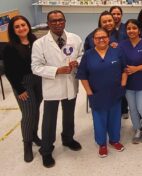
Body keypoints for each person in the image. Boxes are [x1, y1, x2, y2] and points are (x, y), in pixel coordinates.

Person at [31, 10, 83, 168]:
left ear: (65, 21)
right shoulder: (39, 43)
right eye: (53, 21)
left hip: (70, 83)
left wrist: (77, 62)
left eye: (60, 20)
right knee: (49, 119)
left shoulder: (75, 38)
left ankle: (68, 139)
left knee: (69, 114)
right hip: (52, 85)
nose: (57, 23)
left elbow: (81, 54)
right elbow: (35, 67)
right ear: (48, 23)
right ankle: (46, 150)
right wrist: (55, 71)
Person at [77, 28, 127, 158]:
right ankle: (102, 144)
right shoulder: (88, 55)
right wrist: (89, 93)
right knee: (99, 120)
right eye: (98, 37)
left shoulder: (116, 51)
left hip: (115, 92)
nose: (101, 39)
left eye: (104, 37)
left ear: (108, 38)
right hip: (97, 94)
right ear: (93, 40)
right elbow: (82, 76)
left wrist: (122, 85)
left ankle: (114, 140)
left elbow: (124, 70)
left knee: (115, 118)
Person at [4, 15, 42, 163]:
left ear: (28, 25)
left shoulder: (35, 41)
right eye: (17, 26)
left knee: (36, 109)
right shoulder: (10, 48)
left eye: (23, 25)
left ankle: (34, 135)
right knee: (28, 114)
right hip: (22, 83)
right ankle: (27, 145)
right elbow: (9, 72)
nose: (21, 28)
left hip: (37, 80)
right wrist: (20, 90)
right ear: (13, 30)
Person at [119, 19, 142, 144]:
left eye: (134, 28)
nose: (131, 31)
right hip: (128, 82)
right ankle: (137, 128)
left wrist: (136, 69)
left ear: (139, 30)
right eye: (129, 28)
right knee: (132, 108)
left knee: (141, 107)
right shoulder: (122, 45)